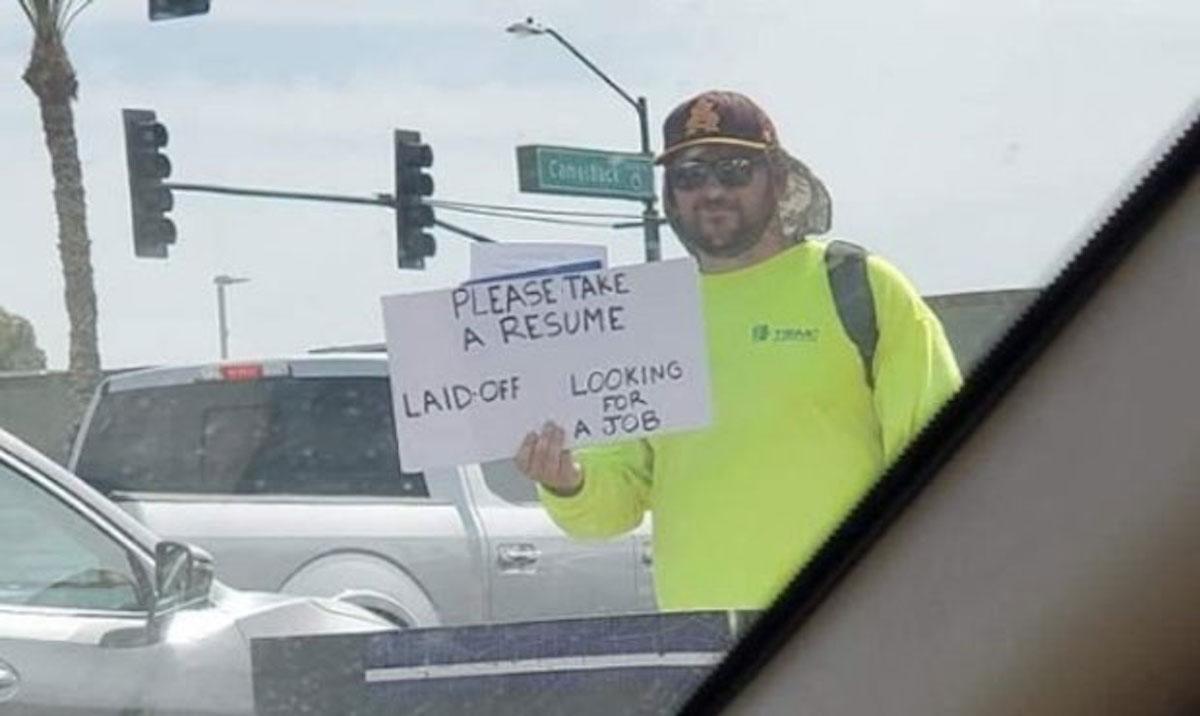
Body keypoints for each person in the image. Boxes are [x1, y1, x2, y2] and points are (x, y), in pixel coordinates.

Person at [515, 90, 962, 611]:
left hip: (853, 626)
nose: (712, 190)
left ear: (779, 178)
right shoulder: (644, 317)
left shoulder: (860, 287)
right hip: (703, 641)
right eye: (689, 176)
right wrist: (567, 483)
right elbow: (612, 506)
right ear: (671, 195)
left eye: (734, 170)